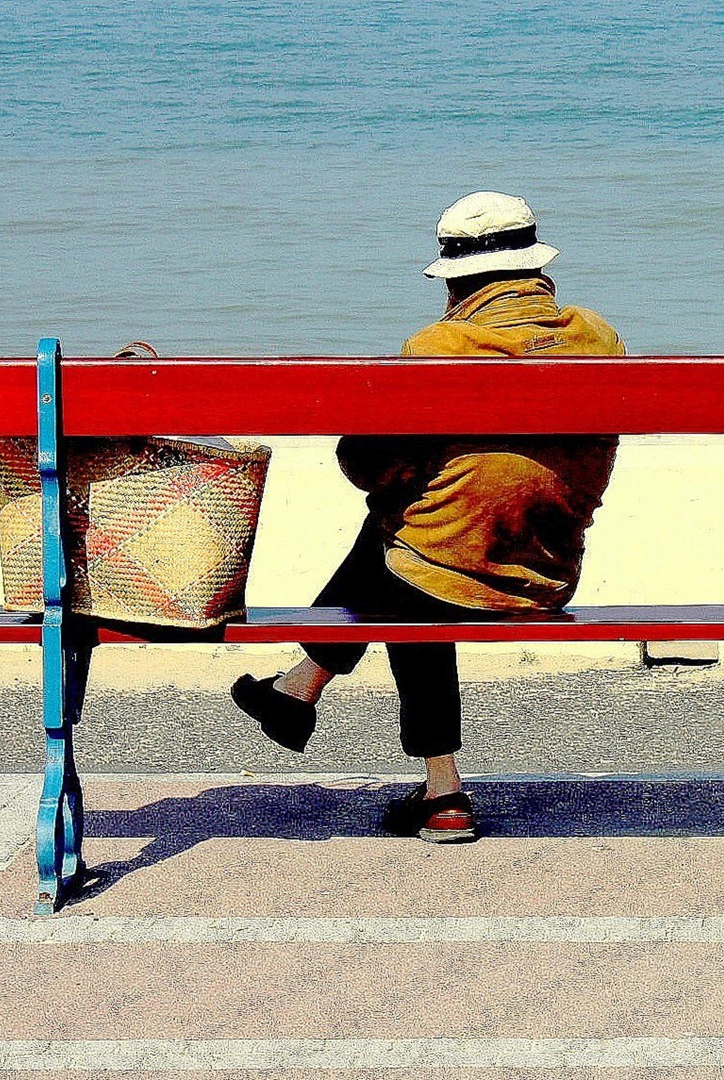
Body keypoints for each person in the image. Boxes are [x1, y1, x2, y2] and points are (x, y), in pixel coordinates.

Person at [230, 191, 621, 843]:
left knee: (410, 553)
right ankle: (298, 689)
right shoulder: (597, 336)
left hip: (449, 579)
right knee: (417, 537)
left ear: (456, 280)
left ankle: (441, 791)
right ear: (533, 270)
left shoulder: (439, 346)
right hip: (549, 573)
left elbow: (363, 465)